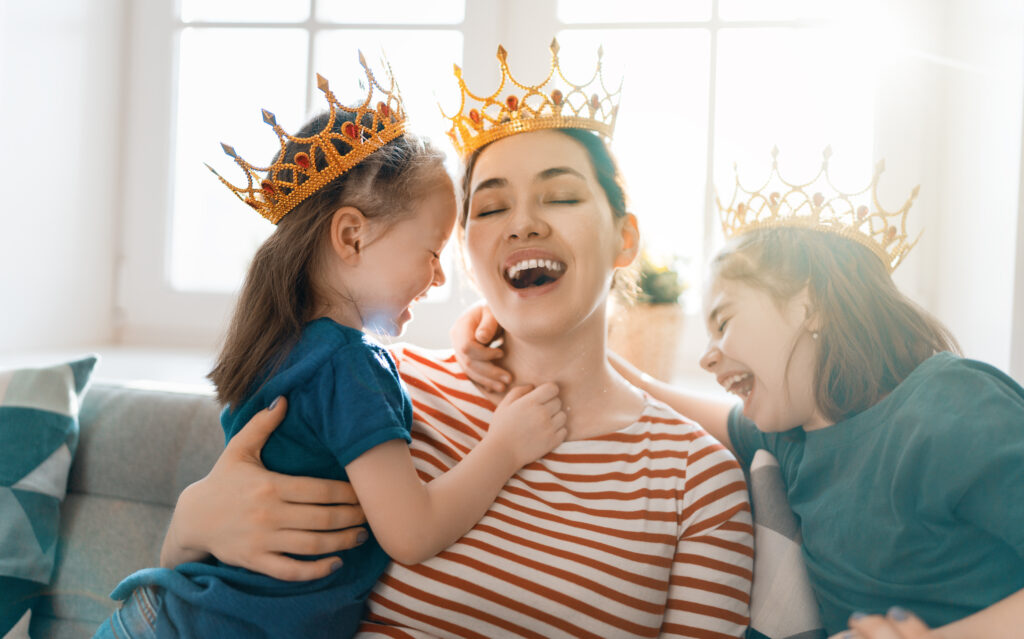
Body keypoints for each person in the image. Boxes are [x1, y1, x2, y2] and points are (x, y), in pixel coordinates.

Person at [156, 42, 755, 638]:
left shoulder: (695, 480)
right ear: (463, 253)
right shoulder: (382, 383)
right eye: (490, 208)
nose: (523, 223)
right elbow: (211, 589)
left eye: (563, 195)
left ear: (626, 239)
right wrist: (188, 525)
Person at [457, 150, 1024, 638]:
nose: (707, 356)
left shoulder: (949, 406)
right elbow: (636, 385)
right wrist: (506, 322)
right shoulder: (791, 438)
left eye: (723, 323)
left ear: (810, 304)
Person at [94, 56, 568, 639]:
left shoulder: (288, 347)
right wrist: (505, 446)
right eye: (432, 252)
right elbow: (412, 533)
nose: (440, 277)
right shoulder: (349, 364)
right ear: (352, 235)